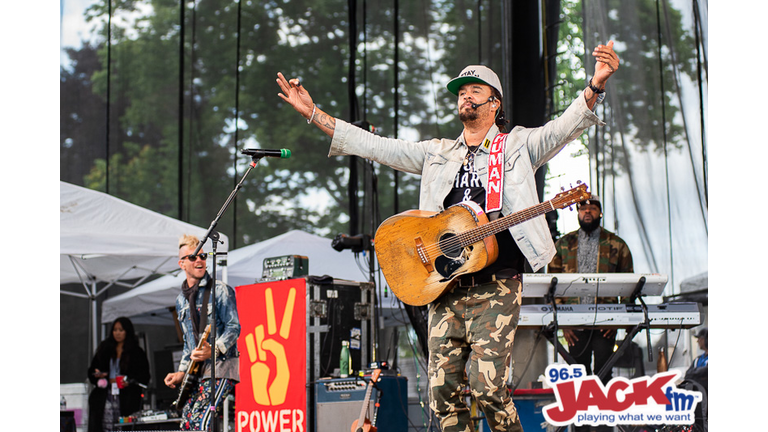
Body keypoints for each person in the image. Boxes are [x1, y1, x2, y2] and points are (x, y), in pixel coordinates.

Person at [276, 41, 619, 432]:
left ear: (495, 104)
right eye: (460, 91)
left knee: (488, 386)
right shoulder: (437, 152)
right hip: (444, 285)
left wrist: (595, 85)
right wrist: (314, 114)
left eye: (474, 89)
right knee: (441, 394)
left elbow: (564, 127)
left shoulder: (517, 145)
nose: (465, 95)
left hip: (497, 282)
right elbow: (375, 146)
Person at [547, 195, 633, 432]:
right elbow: (552, 287)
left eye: (592, 208)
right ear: (577, 213)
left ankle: (604, 429)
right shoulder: (563, 245)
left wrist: (619, 320)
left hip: (606, 322)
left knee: (604, 375)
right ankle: (581, 429)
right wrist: (563, 323)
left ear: (600, 213)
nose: (587, 212)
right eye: (583, 208)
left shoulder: (617, 244)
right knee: (579, 378)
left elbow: (628, 284)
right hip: (573, 324)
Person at [164, 234, 241, 431]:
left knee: (200, 422)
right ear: (182, 264)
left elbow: (234, 327)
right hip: (196, 371)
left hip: (221, 367)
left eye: (203, 256)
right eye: (193, 257)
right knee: (187, 423)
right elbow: (188, 344)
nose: (199, 260)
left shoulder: (220, 290)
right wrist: (181, 372)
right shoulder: (181, 300)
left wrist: (213, 350)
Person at [87, 317, 150, 432]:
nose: (117, 333)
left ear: (127, 331)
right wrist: (98, 375)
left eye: (121, 330)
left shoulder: (136, 352)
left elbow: (144, 375)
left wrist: (130, 382)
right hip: (105, 394)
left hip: (127, 396)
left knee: (123, 425)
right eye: (115, 330)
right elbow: (91, 371)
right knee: (104, 424)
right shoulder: (104, 349)